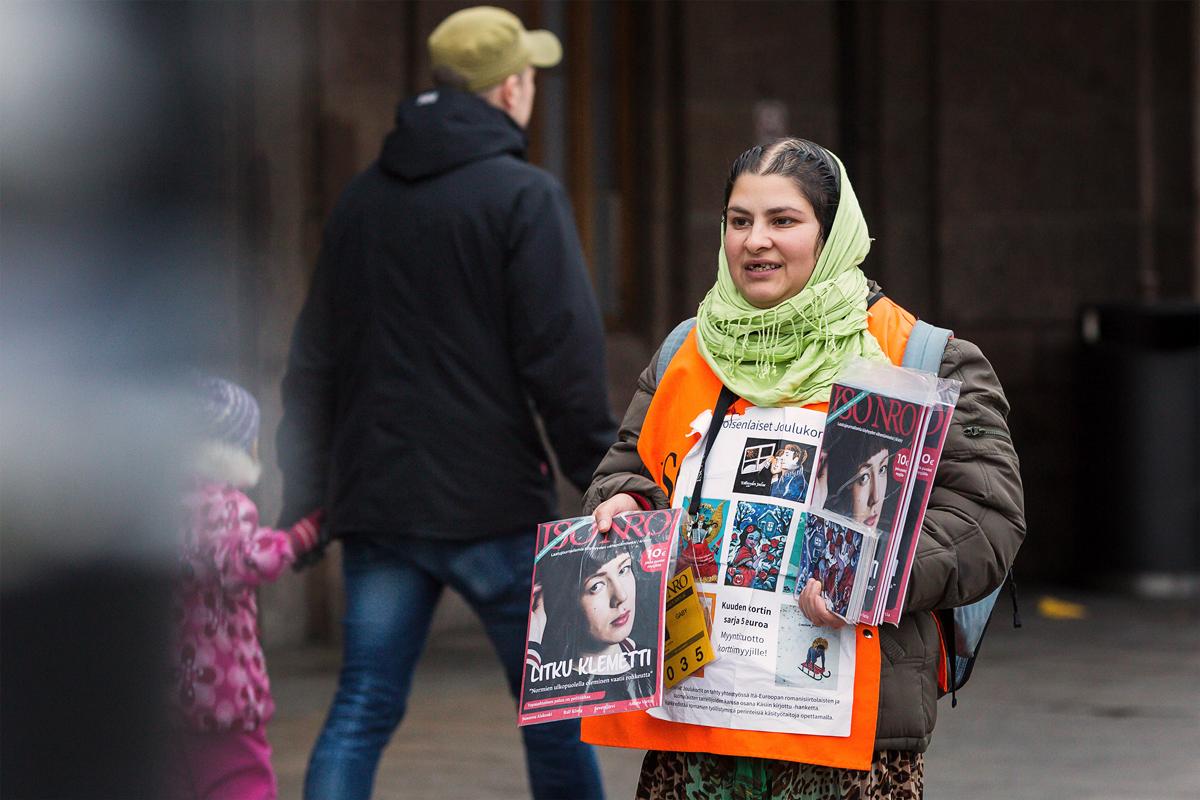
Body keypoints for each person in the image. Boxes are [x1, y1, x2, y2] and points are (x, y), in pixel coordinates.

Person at [584, 138, 1024, 796]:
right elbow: (631, 469)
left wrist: (871, 574)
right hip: (699, 726)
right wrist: (623, 503)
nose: (755, 241)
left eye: (783, 221)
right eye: (739, 220)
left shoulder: (914, 356)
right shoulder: (689, 349)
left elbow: (986, 520)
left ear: (832, 232)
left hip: (844, 739)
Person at [275, 7, 614, 799]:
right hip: (491, 503)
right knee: (553, 707)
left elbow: (313, 358)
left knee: (362, 703)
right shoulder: (524, 196)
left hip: (379, 500)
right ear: (512, 88)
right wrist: (608, 479)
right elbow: (562, 358)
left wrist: (307, 497)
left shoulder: (360, 200)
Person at [169, 377, 324, 800]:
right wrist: (297, 539)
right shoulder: (228, 505)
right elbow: (244, 560)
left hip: (172, 692)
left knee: (182, 781)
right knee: (244, 783)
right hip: (225, 691)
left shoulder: (162, 503)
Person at [528, 538, 656, 703]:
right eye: (596, 586)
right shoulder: (549, 689)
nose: (621, 596)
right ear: (563, 599)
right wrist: (533, 639)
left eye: (624, 569)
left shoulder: (657, 662)